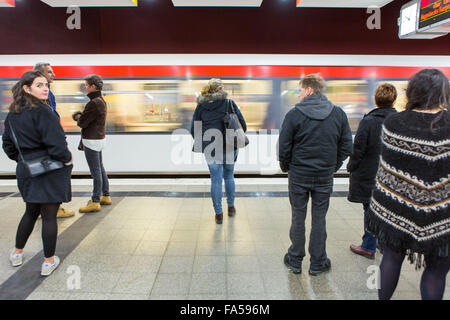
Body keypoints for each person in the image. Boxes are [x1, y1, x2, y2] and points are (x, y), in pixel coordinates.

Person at [367, 69, 449, 300]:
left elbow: (387, 169)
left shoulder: (394, 123)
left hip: (396, 209)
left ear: (413, 91)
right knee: (437, 271)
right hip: (443, 215)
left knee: (391, 259)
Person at [278, 74, 352, 275]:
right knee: (320, 218)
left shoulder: (294, 114)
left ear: (309, 90)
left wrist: (287, 167)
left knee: (298, 216)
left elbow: (284, 146)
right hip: (324, 176)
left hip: (299, 174)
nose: (299, 94)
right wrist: (332, 166)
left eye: (300, 90)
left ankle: (295, 259)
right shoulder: (338, 114)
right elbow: (346, 146)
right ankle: (318, 262)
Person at [2, 71, 73, 276]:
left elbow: (7, 145)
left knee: (31, 212)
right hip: (49, 171)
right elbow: (57, 145)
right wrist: (66, 158)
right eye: (39, 85)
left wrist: (24, 160)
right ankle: (48, 262)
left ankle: (17, 253)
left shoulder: (13, 114)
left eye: (46, 85)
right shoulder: (44, 112)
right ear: (26, 88)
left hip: (26, 171)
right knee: (49, 217)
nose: (45, 88)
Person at [347, 83, 398, 259]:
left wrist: (350, 167)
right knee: (386, 209)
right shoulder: (400, 121)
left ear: (376, 100)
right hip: (393, 176)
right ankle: (383, 244)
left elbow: (358, 149)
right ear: (394, 101)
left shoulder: (368, 121)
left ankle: (368, 246)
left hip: (370, 175)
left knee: (370, 208)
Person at [190, 78, 247, 224]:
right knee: (228, 176)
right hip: (229, 146)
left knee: (215, 180)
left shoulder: (201, 106)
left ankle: (218, 214)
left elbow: (193, 130)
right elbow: (243, 125)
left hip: (210, 148)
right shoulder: (229, 103)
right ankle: (231, 206)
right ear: (221, 88)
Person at [34, 62, 75, 218]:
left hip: (41, 146)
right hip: (48, 145)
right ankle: (53, 209)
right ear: (40, 75)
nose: (54, 75)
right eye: (50, 72)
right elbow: (50, 119)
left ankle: (39, 208)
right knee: (52, 177)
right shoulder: (46, 94)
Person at [73, 74, 111, 213]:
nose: (85, 87)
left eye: (86, 85)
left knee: (95, 171)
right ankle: (105, 195)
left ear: (93, 86)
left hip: (91, 140)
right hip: (99, 139)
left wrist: (78, 117)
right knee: (100, 169)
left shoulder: (93, 102)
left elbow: (82, 122)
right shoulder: (101, 100)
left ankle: (95, 201)